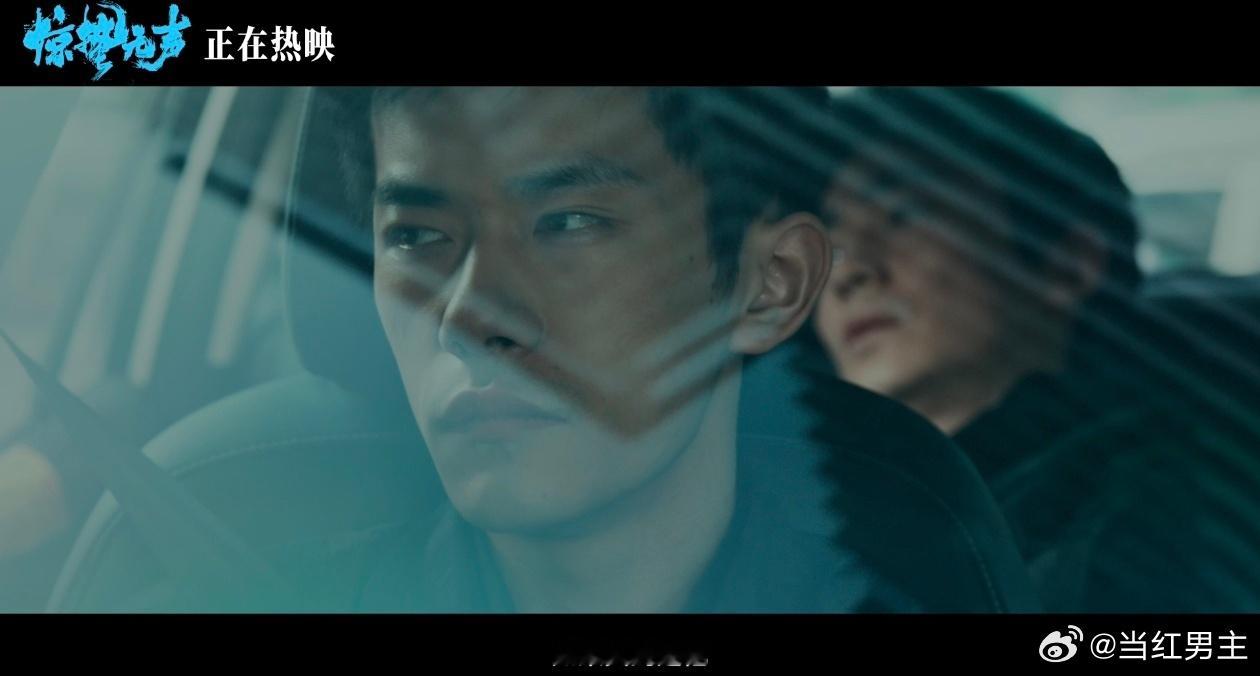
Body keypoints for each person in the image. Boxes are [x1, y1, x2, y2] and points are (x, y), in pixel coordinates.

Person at [809, 86, 1260, 611]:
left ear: (1067, 266)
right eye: (831, 248)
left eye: (902, 215)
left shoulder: (1161, 506)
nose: (849, 273)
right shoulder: (838, 508)